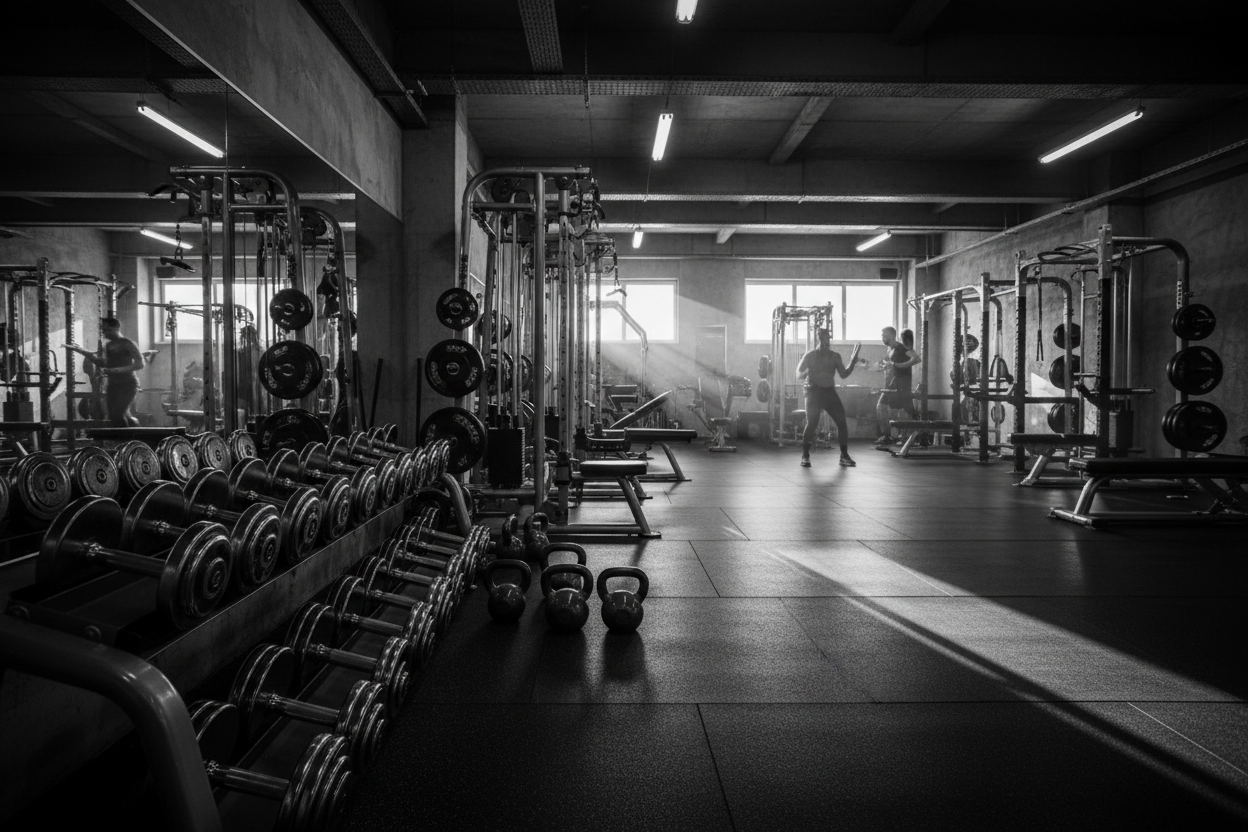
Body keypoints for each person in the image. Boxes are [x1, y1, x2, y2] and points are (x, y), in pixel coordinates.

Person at [795, 328, 860, 468]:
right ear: (818, 341)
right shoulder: (810, 355)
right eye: (822, 342)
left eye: (827, 342)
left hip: (829, 393)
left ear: (829, 341)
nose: (824, 345)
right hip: (813, 392)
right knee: (812, 423)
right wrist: (804, 374)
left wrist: (852, 362)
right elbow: (798, 373)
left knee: (842, 422)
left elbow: (843, 374)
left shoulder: (835, 356)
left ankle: (844, 455)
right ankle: (805, 455)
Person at [69, 316, 144, 426]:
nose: (105, 333)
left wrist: (117, 370)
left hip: (128, 384)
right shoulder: (108, 345)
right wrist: (81, 351)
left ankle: (123, 440)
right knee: (116, 416)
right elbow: (102, 363)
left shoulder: (127, 343)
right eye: (103, 330)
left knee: (117, 415)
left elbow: (140, 364)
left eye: (108, 330)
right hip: (113, 385)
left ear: (116, 327)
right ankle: (133, 438)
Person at [875, 325, 921, 446]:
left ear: (891, 335)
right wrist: (885, 367)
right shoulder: (889, 349)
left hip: (902, 384)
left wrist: (898, 365)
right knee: (882, 406)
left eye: (884, 336)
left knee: (907, 409)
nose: (882, 338)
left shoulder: (901, 347)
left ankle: (921, 433)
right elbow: (891, 365)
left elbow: (916, 359)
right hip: (890, 385)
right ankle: (887, 436)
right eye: (882, 336)